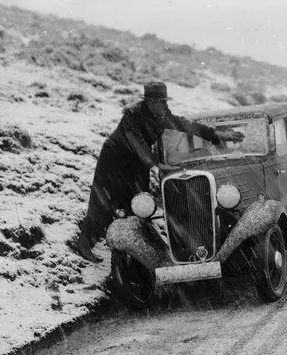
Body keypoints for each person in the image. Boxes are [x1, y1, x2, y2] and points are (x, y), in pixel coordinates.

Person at [75, 82, 244, 262]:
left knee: (137, 201)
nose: (165, 105)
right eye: (161, 102)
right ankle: (85, 245)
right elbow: (137, 143)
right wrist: (156, 164)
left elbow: (184, 124)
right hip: (114, 160)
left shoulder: (162, 114)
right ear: (150, 102)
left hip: (138, 164)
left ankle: (129, 252)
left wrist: (217, 135)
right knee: (103, 200)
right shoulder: (132, 114)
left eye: (165, 101)